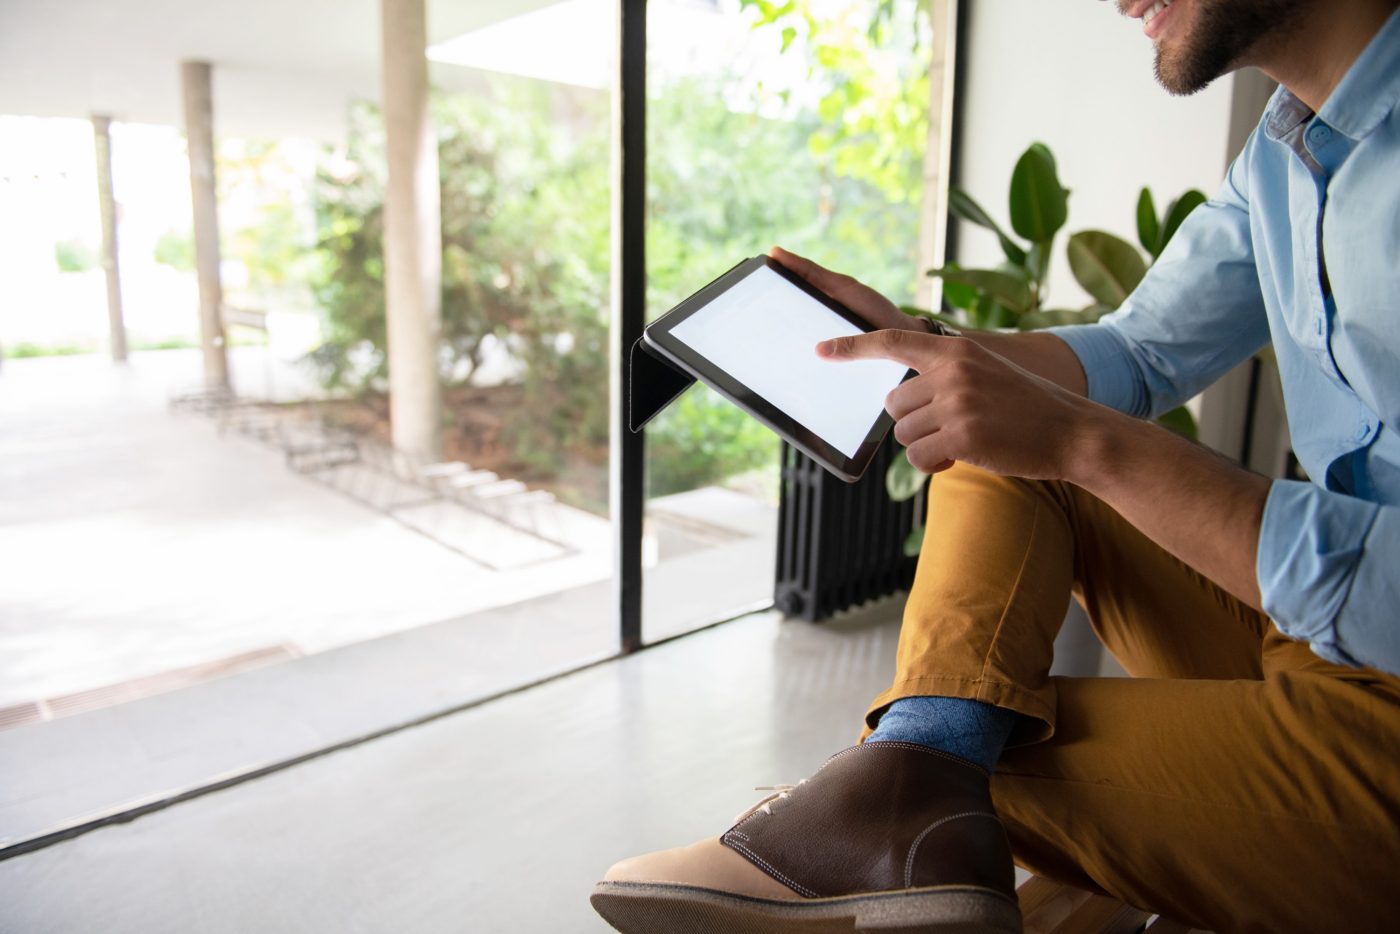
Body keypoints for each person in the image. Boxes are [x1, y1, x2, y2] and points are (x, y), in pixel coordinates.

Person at [591, 0, 1400, 930]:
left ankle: (903, 787)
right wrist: (924, 346)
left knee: (957, 774)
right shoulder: (1283, 153)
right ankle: (912, 769)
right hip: (1306, 639)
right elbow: (1134, 356)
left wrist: (1083, 442)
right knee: (991, 459)